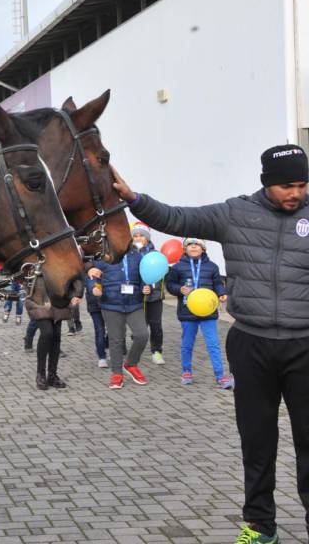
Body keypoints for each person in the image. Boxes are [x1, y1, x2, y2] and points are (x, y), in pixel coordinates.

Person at [113, 144, 309, 544]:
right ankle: (260, 527)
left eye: (303, 185)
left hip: (304, 345)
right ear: (266, 183)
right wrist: (135, 200)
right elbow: (176, 216)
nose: (297, 193)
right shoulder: (234, 214)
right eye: (287, 185)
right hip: (251, 344)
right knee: (257, 442)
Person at [164, 238, 232, 388]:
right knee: (187, 343)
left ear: (203, 249)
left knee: (213, 344)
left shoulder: (212, 267)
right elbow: (170, 285)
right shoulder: (177, 267)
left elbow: (218, 284)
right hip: (187, 311)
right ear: (185, 249)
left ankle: (220, 376)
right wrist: (179, 289)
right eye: (190, 245)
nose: (193, 247)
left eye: (197, 245)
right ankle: (186, 371)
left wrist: (221, 293)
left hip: (208, 311)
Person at [88, 238, 152, 389]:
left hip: (134, 304)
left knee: (142, 335)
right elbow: (91, 276)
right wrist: (93, 288)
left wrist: (146, 288)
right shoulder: (103, 257)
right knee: (116, 340)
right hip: (110, 304)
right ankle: (117, 373)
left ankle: (131, 364)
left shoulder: (137, 257)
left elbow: (144, 278)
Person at [132, 222, 167, 365]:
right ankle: (136, 350)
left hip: (155, 297)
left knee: (155, 324)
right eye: (135, 236)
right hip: (136, 297)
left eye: (141, 235)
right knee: (138, 325)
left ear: (147, 238)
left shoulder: (156, 254)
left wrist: (152, 288)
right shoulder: (130, 255)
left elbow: (161, 273)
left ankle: (156, 351)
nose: (138, 238)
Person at [28, 296, 82, 389]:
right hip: (39, 299)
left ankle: (52, 375)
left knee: (56, 335)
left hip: (57, 302)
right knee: (47, 333)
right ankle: (41, 374)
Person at [84, 272, 109, 368]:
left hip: (109, 304)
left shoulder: (109, 267)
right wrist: (93, 289)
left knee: (113, 330)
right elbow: (89, 282)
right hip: (94, 305)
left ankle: (105, 344)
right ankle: (102, 357)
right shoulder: (91, 268)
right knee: (100, 330)